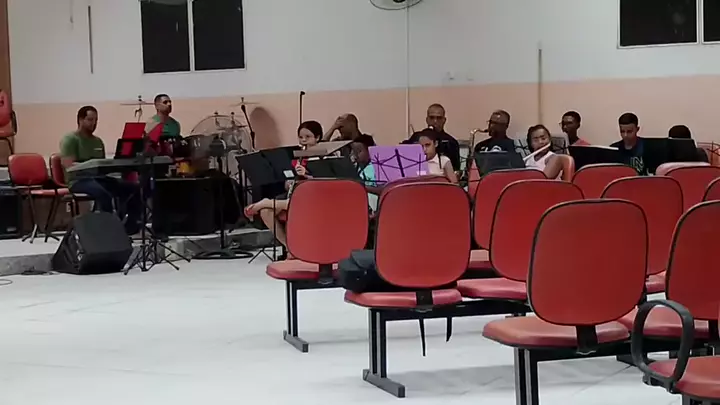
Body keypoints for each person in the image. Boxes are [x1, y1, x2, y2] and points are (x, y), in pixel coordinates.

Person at [60, 106, 142, 234]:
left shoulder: (98, 141)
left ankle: (130, 226)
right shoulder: (70, 139)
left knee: (132, 188)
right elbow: (69, 166)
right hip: (78, 181)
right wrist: (89, 165)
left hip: (98, 178)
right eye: (90, 120)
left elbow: (101, 166)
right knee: (103, 194)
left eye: (96, 120)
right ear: (80, 120)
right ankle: (106, 231)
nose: (93, 123)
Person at [244, 120, 324, 248]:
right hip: (295, 193)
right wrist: (289, 181)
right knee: (265, 212)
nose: (303, 140)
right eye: (301, 137)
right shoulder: (297, 156)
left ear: (317, 138)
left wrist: (307, 175)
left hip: (313, 197)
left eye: (308, 137)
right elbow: (289, 180)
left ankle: (265, 202)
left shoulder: (323, 156)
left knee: (288, 203)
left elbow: (324, 181)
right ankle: (288, 246)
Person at [407, 104, 461, 170]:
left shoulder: (451, 142)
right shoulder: (416, 137)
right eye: (432, 118)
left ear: (444, 120)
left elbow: (455, 168)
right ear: (427, 119)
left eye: (439, 118)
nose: (435, 121)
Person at [351, 134, 380, 211]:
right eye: (353, 152)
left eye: (359, 151)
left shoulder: (376, 168)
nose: (355, 155)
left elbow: (381, 189)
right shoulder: (355, 167)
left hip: (374, 208)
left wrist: (362, 187)